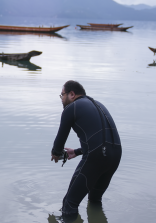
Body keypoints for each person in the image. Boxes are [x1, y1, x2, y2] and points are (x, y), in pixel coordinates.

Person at [51, 80, 121, 220]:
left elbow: (60, 141)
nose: (61, 99)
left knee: (69, 204)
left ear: (72, 94)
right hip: (115, 155)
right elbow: (102, 141)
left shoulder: (71, 108)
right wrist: (77, 151)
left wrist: (56, 152)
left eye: (62, 95)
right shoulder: (98, 105)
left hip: (97, 157)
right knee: (94, 200)